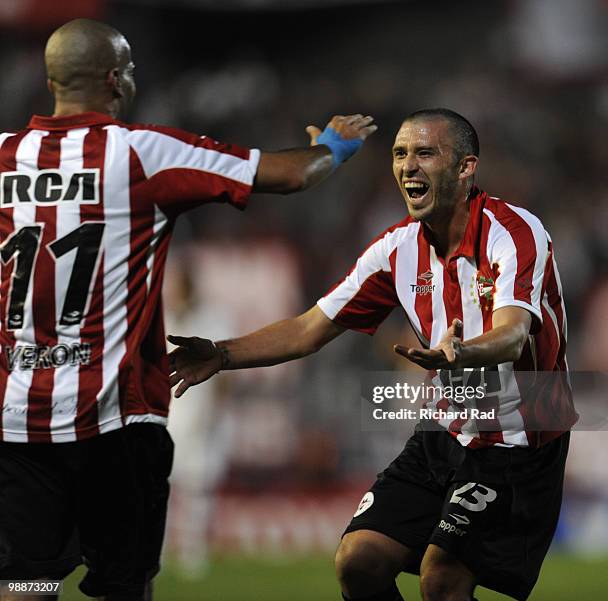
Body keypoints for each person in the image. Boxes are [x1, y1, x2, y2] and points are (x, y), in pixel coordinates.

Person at [0, 17, 377, 601]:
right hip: (115, 419)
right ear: (114, 80)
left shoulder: (2, 158)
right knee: (122, 587)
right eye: (128, 68)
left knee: (25, 585)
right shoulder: (141, 152)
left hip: (18, 421)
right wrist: (334, 145)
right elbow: (293, 174)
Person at [168, 108, 578, 601]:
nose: (408, 166)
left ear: (466, 167)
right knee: (358, 562)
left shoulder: (513, 231)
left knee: (442, 578)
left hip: (520, 437)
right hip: (444, 432)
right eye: (400, 154)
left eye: (425, 152)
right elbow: (308, 329)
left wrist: (462, 352)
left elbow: (513, 334)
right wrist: (221, 353)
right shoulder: (395, 250)